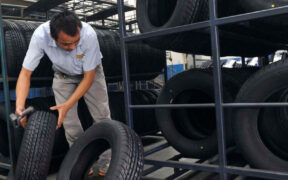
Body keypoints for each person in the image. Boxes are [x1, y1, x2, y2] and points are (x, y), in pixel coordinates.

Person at [15, 10, 111, 176]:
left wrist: (68, 104)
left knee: (101, 116)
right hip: (62, 75)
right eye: (66, 44)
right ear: (53, 37)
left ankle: (106, 162)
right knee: (69, 123)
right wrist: (19, 106)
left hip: (91, 73)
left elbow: (88, 78)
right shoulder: (40, 37)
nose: (72, 47)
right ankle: (83, 162)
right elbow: (25, 73)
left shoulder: (88, 34)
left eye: (76, 42)